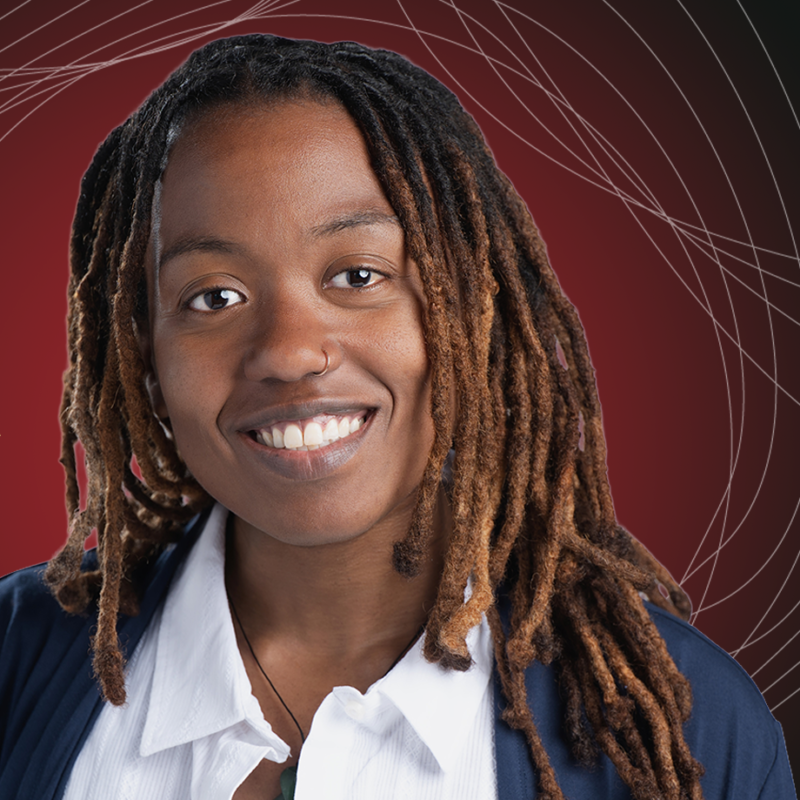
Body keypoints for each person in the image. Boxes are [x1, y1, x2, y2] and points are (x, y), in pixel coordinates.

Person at [0, 34, 795, 800]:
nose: (288, 351)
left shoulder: (685, 733)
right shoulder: (17, 659)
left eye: (357, 274)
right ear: (141, 349)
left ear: (475, 311)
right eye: (214, 297)